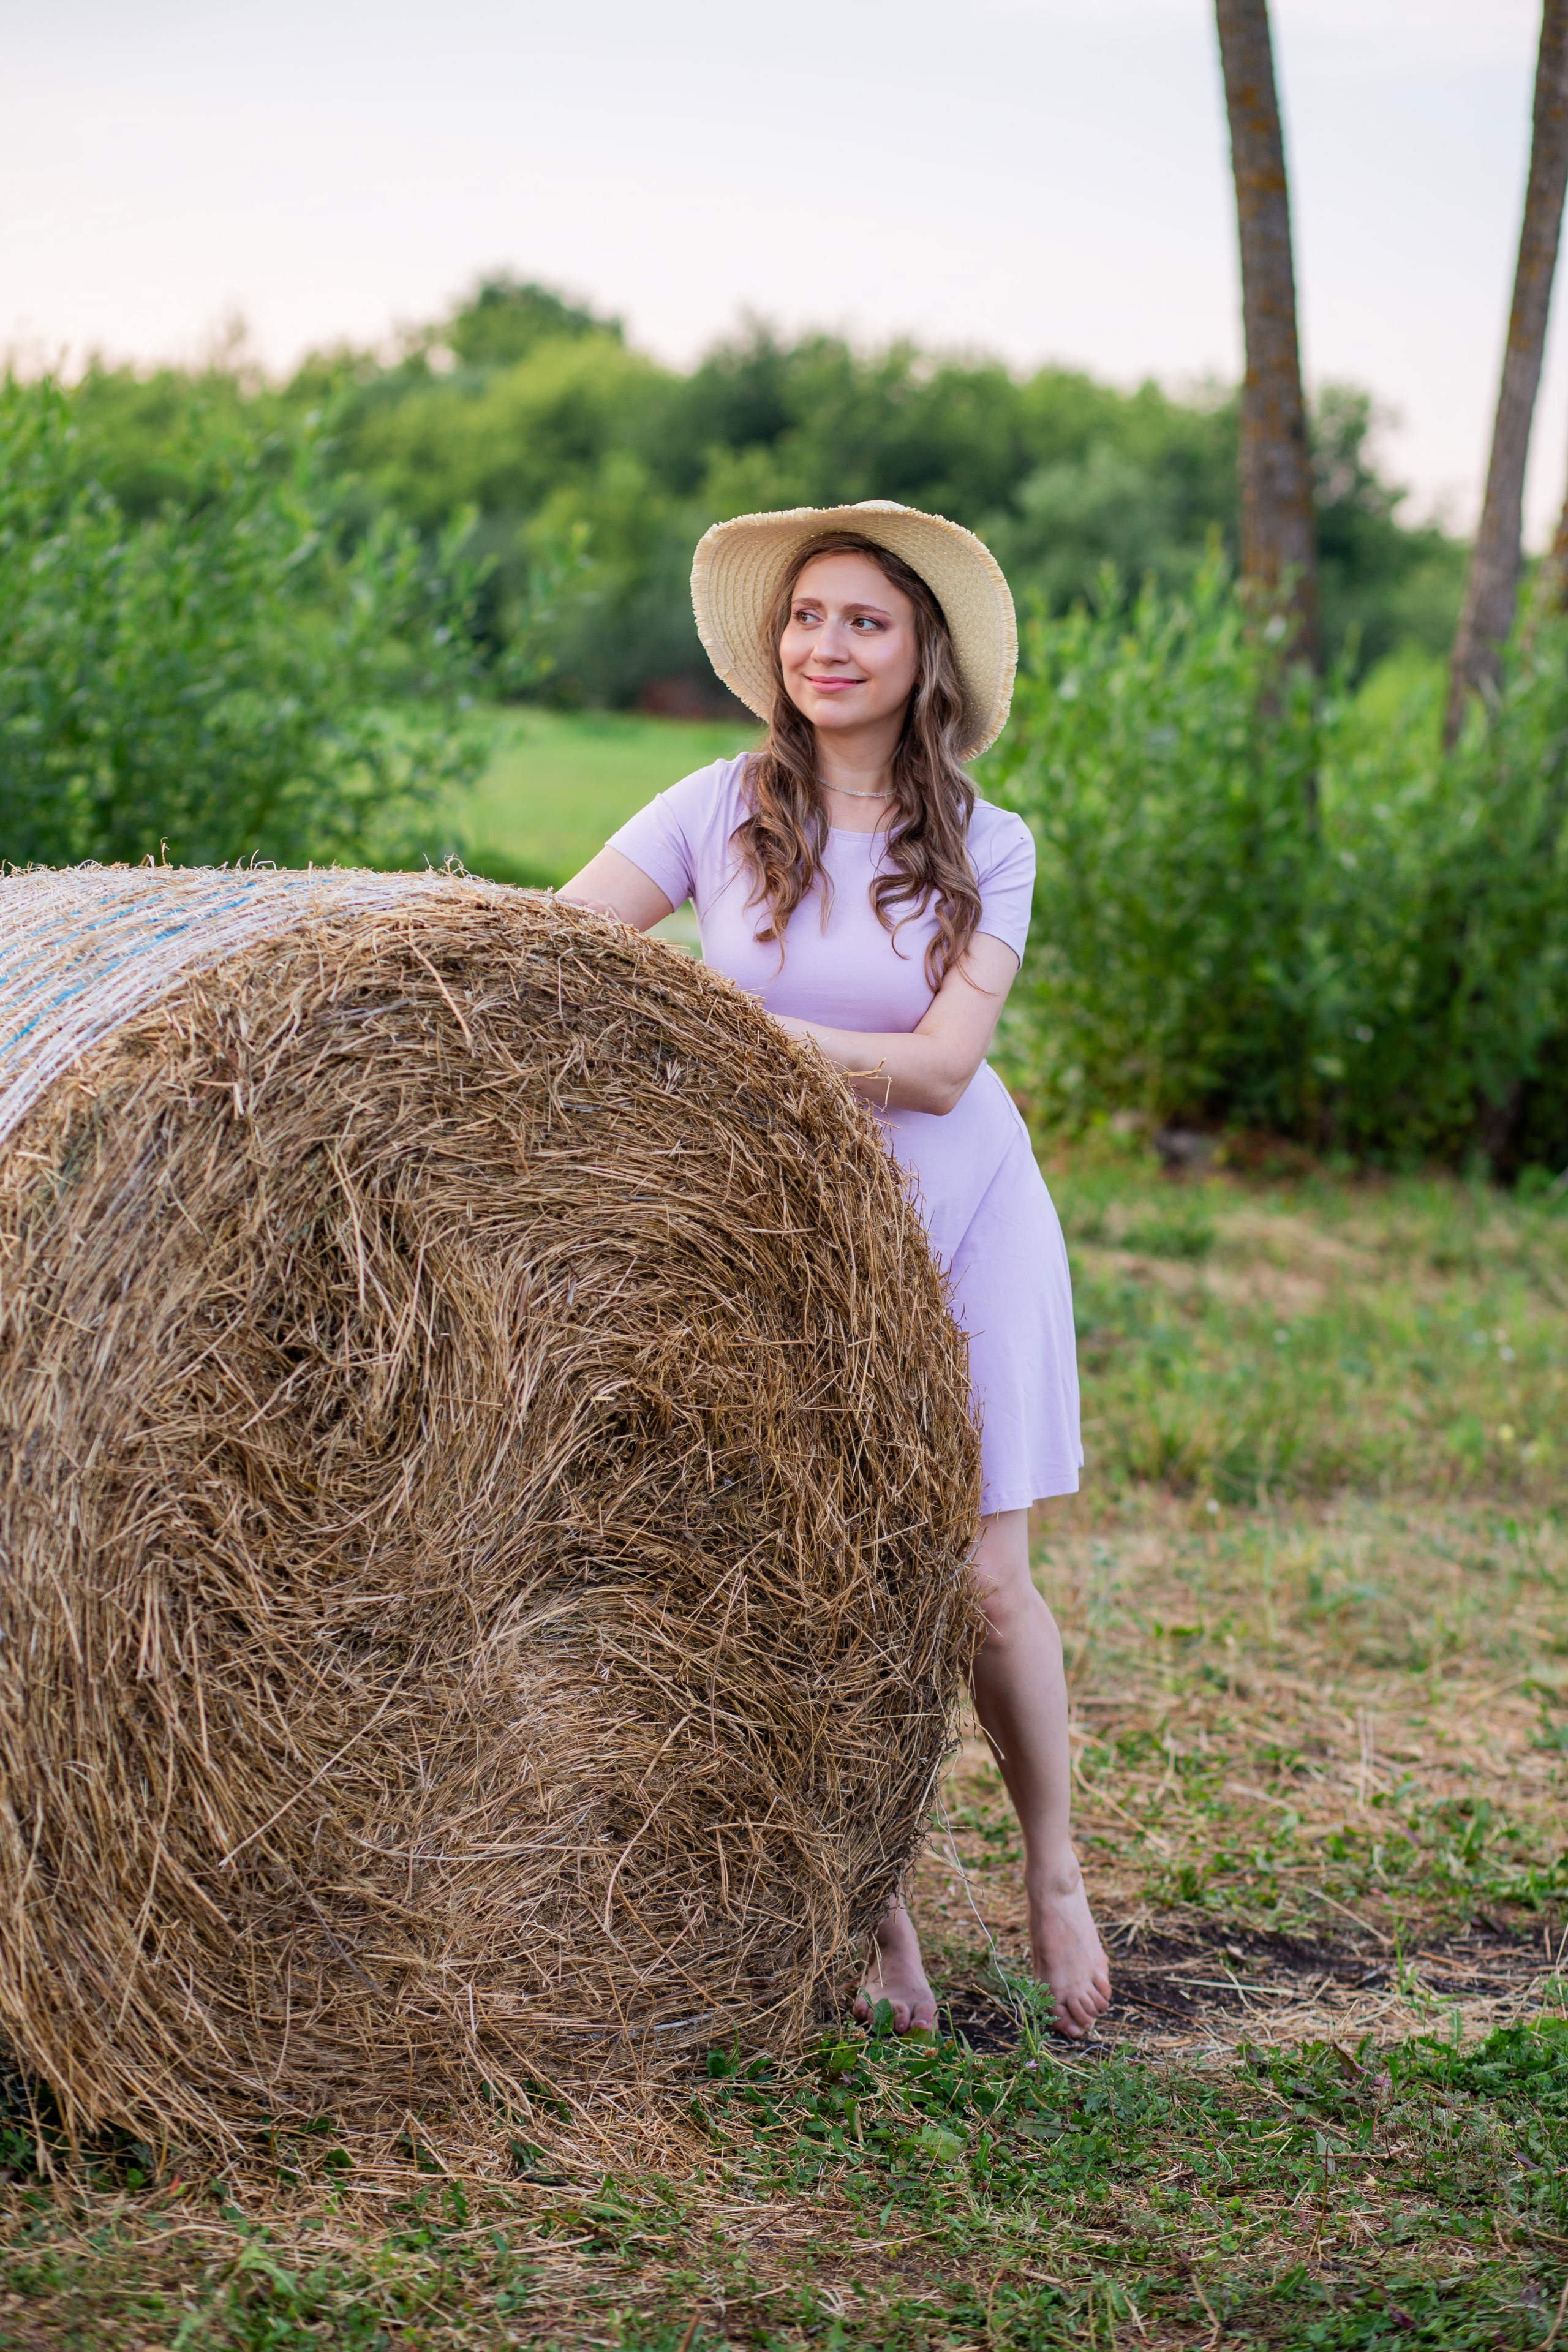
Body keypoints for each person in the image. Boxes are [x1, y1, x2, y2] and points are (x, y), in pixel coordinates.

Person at [559, 500, 1110, 2040]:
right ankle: (874, 1909)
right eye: (806, 617)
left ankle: (1051, 1869)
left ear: (921, 651)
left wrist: (726, 1034)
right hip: (784, 1237)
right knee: (820, 1570)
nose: (827, 646)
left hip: (965, 1215)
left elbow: (939, 1072)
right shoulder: (707, 806)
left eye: (864, 620)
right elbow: (558, 957)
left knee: (982, 1584)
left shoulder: (987, 842)